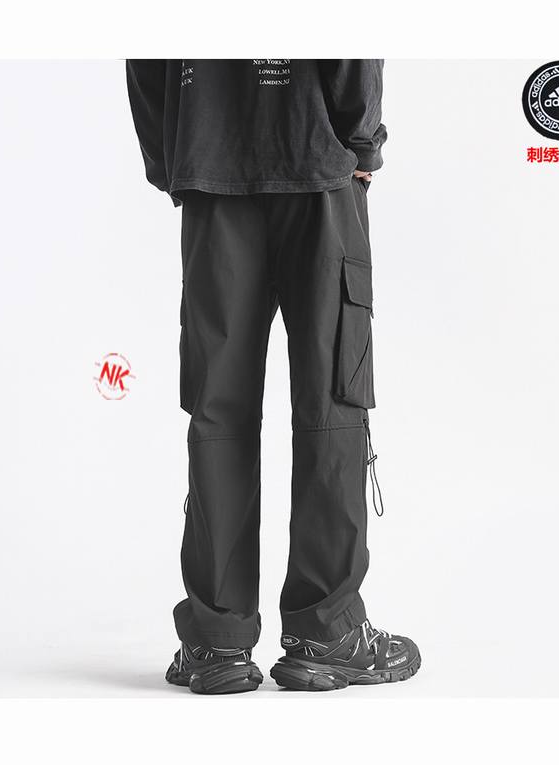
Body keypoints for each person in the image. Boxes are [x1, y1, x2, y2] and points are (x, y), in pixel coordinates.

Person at [126, 59, 421, 694]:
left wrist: (172, 159)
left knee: (219, 409)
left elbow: (143, 53)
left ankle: (216, 642)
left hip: (211, 167)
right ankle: (326, 632)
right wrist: (362, 141)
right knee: (332, 399)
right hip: (316, 166)